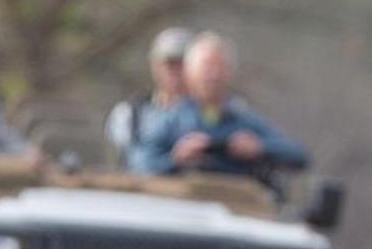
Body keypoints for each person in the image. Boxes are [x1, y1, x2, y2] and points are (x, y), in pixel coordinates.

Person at [132, 32, 309, 180]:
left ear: (231, 72)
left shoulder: (244, 121)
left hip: (238, 209)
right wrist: (176, 158)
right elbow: (138, 165)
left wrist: (259, 148)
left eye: (220, 67)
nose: (213, 75)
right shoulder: (170, 121)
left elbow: (298, 156)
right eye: (206, 67)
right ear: (189, 72)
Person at [105, 26, 192, 170]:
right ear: (155, 66)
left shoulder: (209, 114)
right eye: (170, 64)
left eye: (183, 64)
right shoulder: (129, 114)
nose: (177, 71)